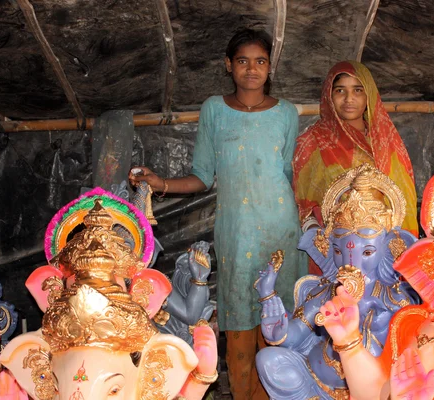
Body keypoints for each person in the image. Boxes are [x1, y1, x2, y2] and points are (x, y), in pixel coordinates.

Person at [129, 28, 307, 400]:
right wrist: (160, 182)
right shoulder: (214, 109)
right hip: (236, 233)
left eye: (260, 61)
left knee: (278, 324)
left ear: (269, 67)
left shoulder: (287, 113)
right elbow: (202, 176)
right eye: (243, 61)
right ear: (229, 66)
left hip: (281, 231)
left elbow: (289, 175)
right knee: (240, 325)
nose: (252, 69)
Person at [292, 61, 418, 274]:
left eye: (358, 90)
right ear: (329, 96)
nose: (349, 99)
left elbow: (404, 198)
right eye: (340, 90)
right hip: (336, 251)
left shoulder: (386, 142)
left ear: (369, 95)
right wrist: (319, 238)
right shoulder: (314, 141)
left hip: (384, 248)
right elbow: (303, 204)